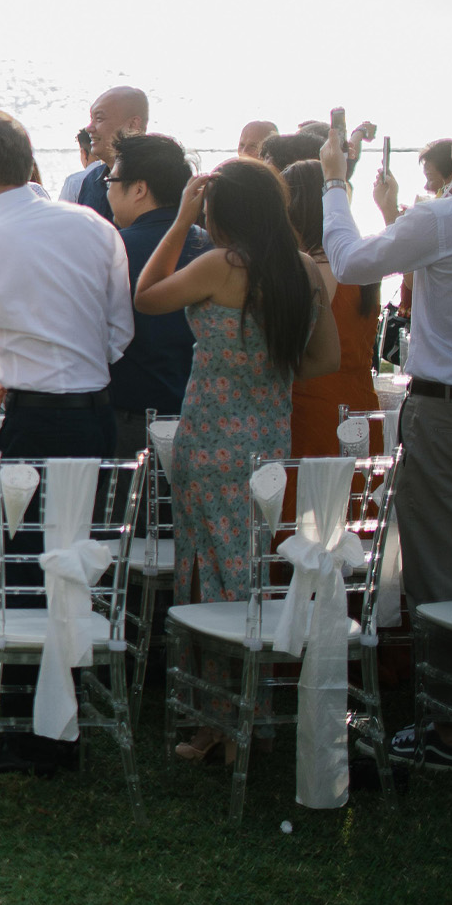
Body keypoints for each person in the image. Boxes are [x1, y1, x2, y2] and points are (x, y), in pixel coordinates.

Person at [0, 111, 134, 775]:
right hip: (96, 421)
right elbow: (118, 333)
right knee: (77, 561)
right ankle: (64, 723)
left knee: (16, 569)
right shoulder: (94, 226)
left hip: (35, 425)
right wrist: (59, 368)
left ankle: (24, 732)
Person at [135, 158, 337, 764]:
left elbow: (145, 296)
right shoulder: (303, 269)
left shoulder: (223, 264)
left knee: (209, 572)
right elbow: (324, 359)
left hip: (210, 438)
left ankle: (220, 722)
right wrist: (267, 369)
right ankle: (249, 713)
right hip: (268, 438)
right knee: (248, 569)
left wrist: (179, 223)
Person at [319, 97, 452, 772]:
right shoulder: (451, 211)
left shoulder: (450, 217)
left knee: (444, 564)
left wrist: (335, 181)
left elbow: (351, 262)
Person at [103, 134, 209, 455]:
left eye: (110, 181)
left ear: (139, 189)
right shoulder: (215, 249)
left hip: (130, 422)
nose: (107, 191)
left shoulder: (112, 248)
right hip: (204, 421)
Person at [281, 159, 379, 457]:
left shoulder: (313, 267)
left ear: (298, 208)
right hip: (359, 402)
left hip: (315, 409)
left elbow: (295, 346)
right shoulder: (357, 261)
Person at [62, 86, 149, 222]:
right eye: (91, 119)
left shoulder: (158, 180)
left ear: (133, 125)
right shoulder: (91, 180)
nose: (89, 128)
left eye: (99, 119)